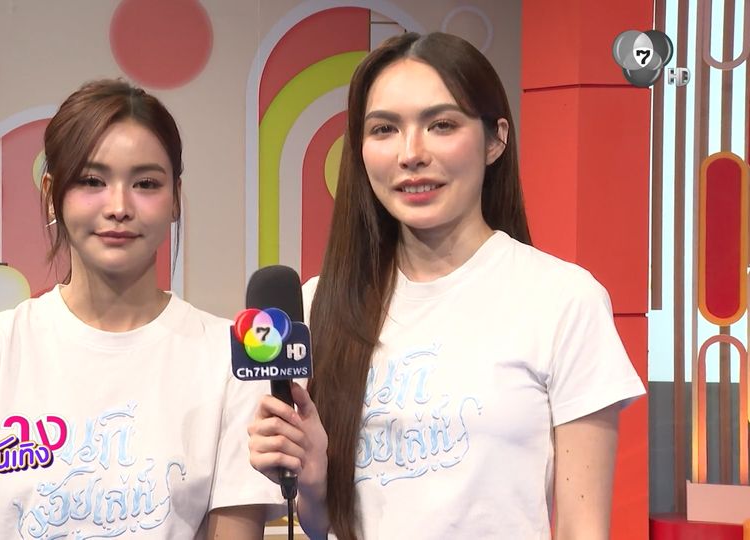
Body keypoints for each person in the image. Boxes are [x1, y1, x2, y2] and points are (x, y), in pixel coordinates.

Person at [247, 32, 645, 540]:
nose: (411, 154)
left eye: (441, 125)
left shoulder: (563, 299)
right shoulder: (319, 304)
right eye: (384, 129)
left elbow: (581, 528)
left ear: (495, 139)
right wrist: (312, 479)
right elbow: (324, 525)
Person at [0, 79, 281, 539]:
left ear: (174, 198)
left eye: (146, 183)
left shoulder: (231, 359)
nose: (119, 206)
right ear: (52, 192)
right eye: (92, 181)